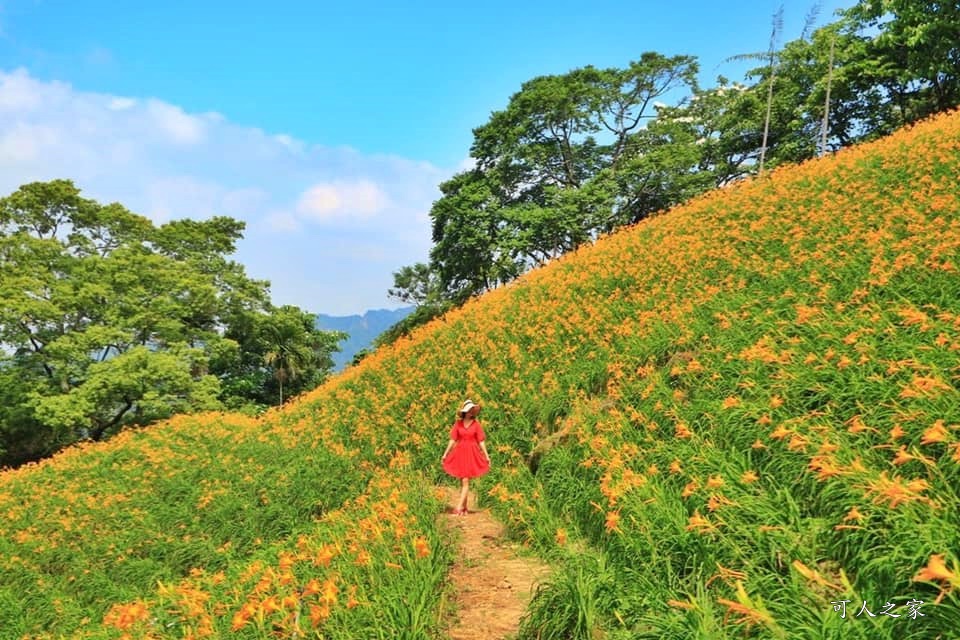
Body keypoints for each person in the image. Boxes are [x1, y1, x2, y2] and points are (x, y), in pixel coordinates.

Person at [441, 399, 490, 515]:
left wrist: (486, 456)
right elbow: (452, 440)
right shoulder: (458, 424)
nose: (470, 412)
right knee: (463, 481)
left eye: (472, 410)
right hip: (460, 453)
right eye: (468, 410)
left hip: (472, 453)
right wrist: (445, 453)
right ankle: (465, 507)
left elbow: (481, 441)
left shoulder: (476, 425)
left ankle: (458, 508)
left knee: (465, 481)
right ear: (464, 411)